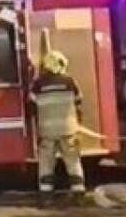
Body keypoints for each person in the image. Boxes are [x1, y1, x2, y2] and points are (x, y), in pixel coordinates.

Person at [29, 50, 85, 207]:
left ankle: (46, 196)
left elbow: (31, 107)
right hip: (68, 129)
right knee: (73, 162)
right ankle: (79, 194)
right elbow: (79, 102)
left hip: (47, 131)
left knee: (46, 163)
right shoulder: (70, 82)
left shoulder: (38, 84)